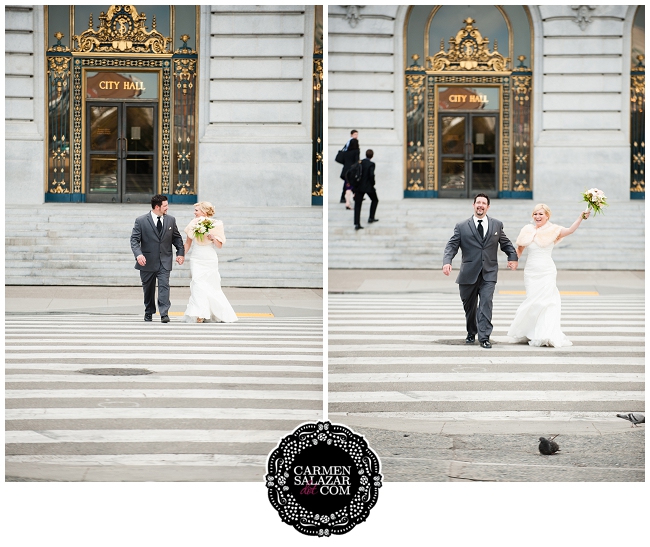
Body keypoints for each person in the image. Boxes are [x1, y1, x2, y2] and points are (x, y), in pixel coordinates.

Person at [507, 204, 590, 347]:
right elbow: (519, 248)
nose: (537, 217)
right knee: (533, 302)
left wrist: (581, 217)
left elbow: (570, 230)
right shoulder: (527, 230)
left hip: (547, 271)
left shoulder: (553, 230)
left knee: (547, 303)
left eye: (541, 214)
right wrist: (514, 261)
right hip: (531, 272)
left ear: (547, 216)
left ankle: (544, 334)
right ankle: (531, 332)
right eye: (535, 214)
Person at [442, 193, 518, 348]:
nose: (480, 205)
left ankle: (484, 337)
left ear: (488, 207)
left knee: (486, 304)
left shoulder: (496, 225)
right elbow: (452, 246)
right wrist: (447, 261)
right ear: (473, 205)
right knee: (469, 308)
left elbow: (506, 243)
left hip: (489, 272)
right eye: (478, 202)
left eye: (484, 203)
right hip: (468, 274)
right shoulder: (462, 226)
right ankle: (471, 331)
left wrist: (512, 256)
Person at [130, 194, 185, 323]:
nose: (167, 208)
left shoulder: (171, 220)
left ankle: (164, 313)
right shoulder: (141, 220)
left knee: (164, 286)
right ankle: (149, 311)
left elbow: (177, 238)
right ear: (157, 207)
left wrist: (180, 253)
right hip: (147, 261)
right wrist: (138, 254)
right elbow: (134, 240)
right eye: (165, 206)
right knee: (148, 288)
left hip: (165, 260)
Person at [182, 201, 238, 323]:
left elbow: (219, 245)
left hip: (209, 258)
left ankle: (212, 312)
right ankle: (199, 313)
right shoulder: (193, 223)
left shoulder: (216, 224)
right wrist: (181, 255)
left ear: (204, 211)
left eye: (196, 210)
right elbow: (187, 243)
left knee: (211, 286)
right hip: (196, 258)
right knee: (197, 283)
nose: (194, 212)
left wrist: (213, 238)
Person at [353, 149, 379, 230]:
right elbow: (371, 175)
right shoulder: (371, 164)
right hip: (368, 187)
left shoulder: (360, 162)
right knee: (375, 200)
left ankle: (357, 224)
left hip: (359, 187)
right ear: (372, 156)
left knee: (358, 205)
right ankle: (371, 217)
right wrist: (373, 183)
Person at [339, 137, 360, 209]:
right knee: (355, 185)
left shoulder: (346, 152)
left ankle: (347, 201)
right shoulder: (356, 152)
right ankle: (354, 197)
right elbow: (356, 162)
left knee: (348, 187)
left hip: (345, 172)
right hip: (352, 172)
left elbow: (343, 160)